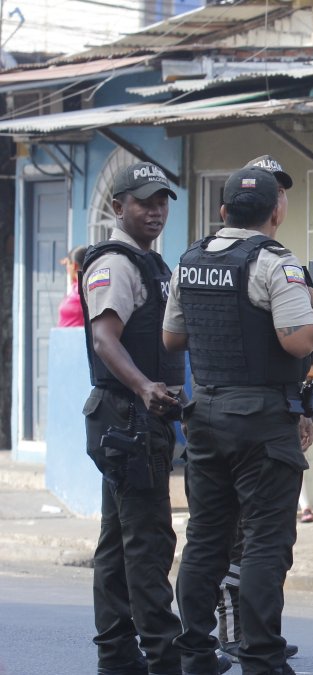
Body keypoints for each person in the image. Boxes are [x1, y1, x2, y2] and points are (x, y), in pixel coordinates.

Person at [163, 166, 313, 675]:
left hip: (206, 415)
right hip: (261, 418)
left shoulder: (189, 260)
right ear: (277, 211)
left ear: (223, 211)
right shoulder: (275, 264)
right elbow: (298, 341)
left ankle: (194, 654)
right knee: (264, 541)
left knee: (206, 537)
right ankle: (261, 658)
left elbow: (172, 339)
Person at [78, 162, 186, 675]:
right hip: (127, 417)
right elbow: (104, 338)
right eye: (144, 202)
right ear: (118, 207)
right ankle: (164, 655)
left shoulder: (152, 264)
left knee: (120, 542)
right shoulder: (117, 264)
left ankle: (118, 655)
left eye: (162, 201)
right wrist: (144, 387)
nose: (156, 211)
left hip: (137, 417)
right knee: (147, 539)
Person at [211, 155, 305, 666]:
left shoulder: (280, 262)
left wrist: (303, 409)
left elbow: (298, 360)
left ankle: (259, 630)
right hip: (241, 417)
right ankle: (236, 634)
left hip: (271, 413)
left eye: (282, 190)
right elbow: (300, 343)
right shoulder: (243, 262)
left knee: (268, 538)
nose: (278, 200)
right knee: (241, 538)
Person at [58, 244, 87, 327]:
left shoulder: (78, 293)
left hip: (73, 337)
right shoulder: (83, 287)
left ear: (74, 266)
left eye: (68, 265)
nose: (67, 269)